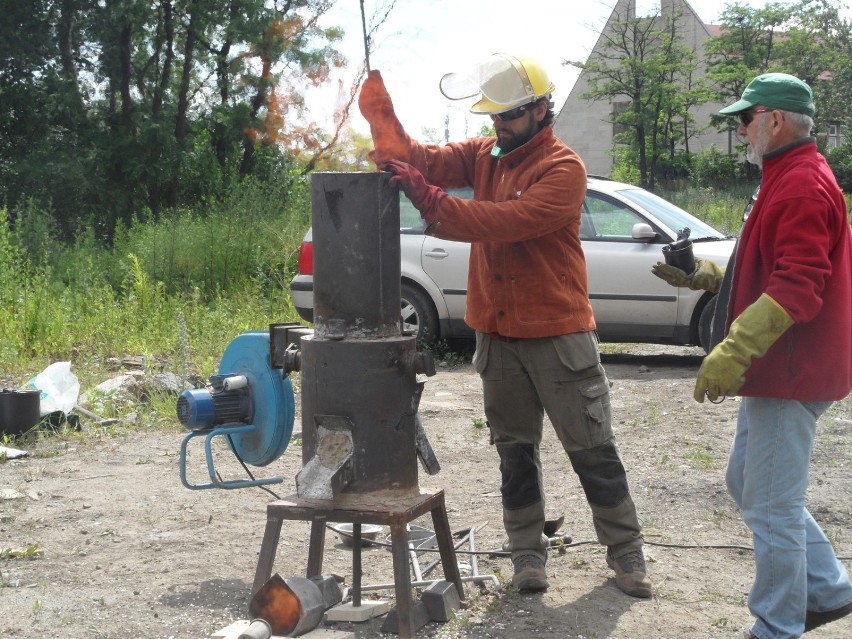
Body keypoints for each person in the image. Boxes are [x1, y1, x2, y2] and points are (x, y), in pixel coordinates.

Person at [358, 53, 652, 598]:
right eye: (494, 117)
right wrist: (382, 117)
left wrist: (430, 198)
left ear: (543, 110)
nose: (499, 126)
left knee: (592, 449)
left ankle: (627, 554)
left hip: (558, 335)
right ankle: (527, 556)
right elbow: (419, 156)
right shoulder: (485, 155)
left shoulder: (564, 169)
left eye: (510, 115)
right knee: (514, 452)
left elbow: (505, 222)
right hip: (498, 335)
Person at [654, 72, 852, 638]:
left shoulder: (800, 184)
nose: (739, 130)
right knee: (751, 485)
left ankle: (777, 626)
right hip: (786, 367)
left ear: (775, 119)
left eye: (745, 118)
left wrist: (733, 351)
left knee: (771, 506)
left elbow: (799, 285)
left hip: (791, 369)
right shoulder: (784, 176)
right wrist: (705, 275)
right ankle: (830, 588)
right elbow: (765, 265)